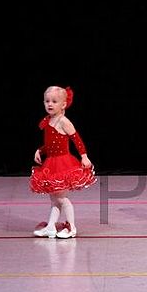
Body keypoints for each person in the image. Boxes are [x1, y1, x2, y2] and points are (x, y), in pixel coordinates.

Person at [30, 86, 96, 239]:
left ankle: (71, 226)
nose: (50, 104)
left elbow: (76, 139)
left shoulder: (64, 121)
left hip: (63, 164)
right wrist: (40, 150)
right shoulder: (49, 121)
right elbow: (51, 144)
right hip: (51, 163)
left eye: (54, 101)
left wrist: (84, 156)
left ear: (64, 104)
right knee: (54, 199)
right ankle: (51, 227)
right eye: (47, 101)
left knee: (60, 198)